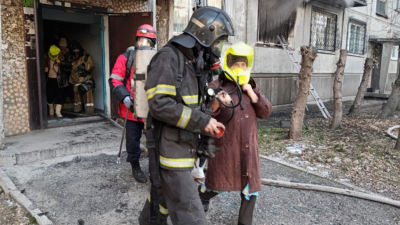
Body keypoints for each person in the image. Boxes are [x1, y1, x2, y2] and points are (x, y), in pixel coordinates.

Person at [138, 6, 235, 225]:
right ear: (205, 35)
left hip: (186, 146)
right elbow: (160, 104)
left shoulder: (194, 62)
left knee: (161, 200)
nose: (218, 48)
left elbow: (191, 102)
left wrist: (214, 99)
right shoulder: (168, 58)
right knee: (191, 212)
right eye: (218, 41)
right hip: (171, 152)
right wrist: (203, 121)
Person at [198, 42, 273, 225]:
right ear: (228, 64)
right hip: (226, 147)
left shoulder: (251, 85)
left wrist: (253, 94)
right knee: (217, 183)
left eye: (243, 65)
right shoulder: (217, 85)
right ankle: (202, 196)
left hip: (248, 149)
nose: (240, 68)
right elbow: (204, 115)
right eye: (236, 64)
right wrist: (216, 103)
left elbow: (266, 112)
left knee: (250, 189)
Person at [108, 24, 157, 183]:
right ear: (136, 41)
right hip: (131, 109)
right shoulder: (126, 58)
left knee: (154, 139)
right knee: (132, 141)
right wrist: (125, 98)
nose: (144, 44)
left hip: (152, 108)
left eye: (148, 42)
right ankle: (135, 166)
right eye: (141, 40)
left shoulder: (157, 58)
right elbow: (115, 80)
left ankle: (155, 168)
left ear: (153, 43)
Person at [69, 40, 95, 114]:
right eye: (74, 50)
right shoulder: (71, 58)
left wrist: (85, 67)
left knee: (88, 99)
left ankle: (89, 113)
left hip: (86, 80)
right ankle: (77, 111)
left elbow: (92, 67)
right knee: (77, 101)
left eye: (77, 49)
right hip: (75, 81)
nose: (75, 51)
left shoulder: (86, 57)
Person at [45, 45, 65, 118]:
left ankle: (57, 111)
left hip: (59, 80)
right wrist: (45, 69)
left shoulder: (62, 58)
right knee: (49, 95)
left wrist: (61, 63)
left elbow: (68, 66)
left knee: (59, 96)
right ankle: (51, 108)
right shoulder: (46, 59)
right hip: (50, 79)